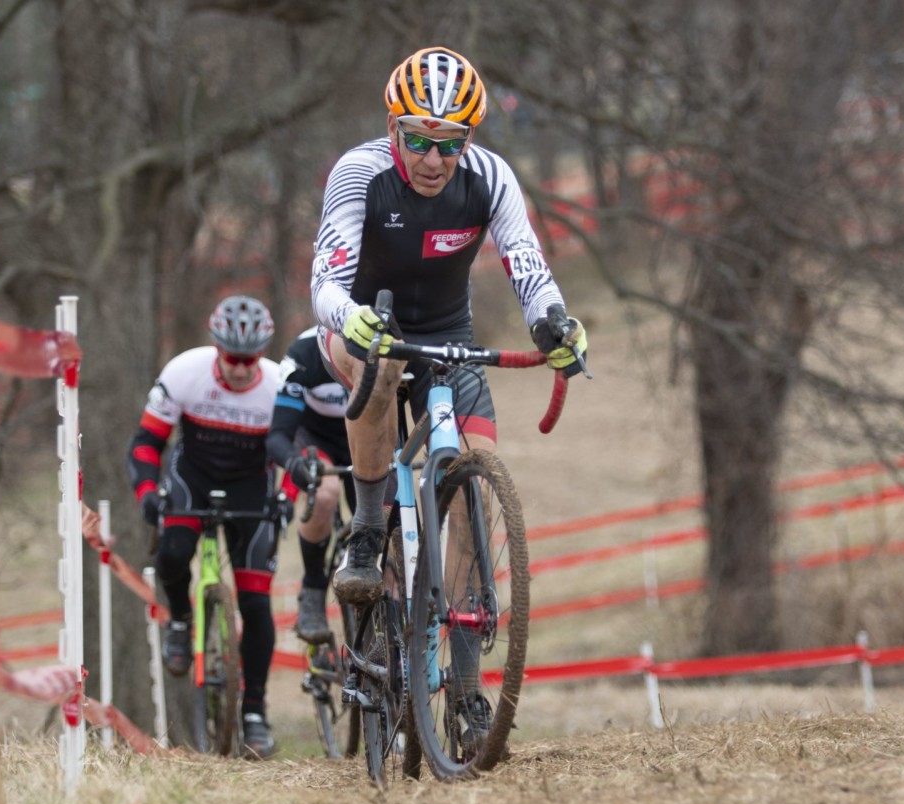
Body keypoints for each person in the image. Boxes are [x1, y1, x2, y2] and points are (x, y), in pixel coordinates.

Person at [309, 46, 588, 748]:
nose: (434, 159)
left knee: (474, 484)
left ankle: (466, 696)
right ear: (393, 129)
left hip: (447, 333)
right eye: (418, 141)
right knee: (374, 370)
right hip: (360, 323)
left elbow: (527, 263)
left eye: (450, 144)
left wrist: (553, 322)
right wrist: (351, 318)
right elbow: (325, 278)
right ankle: (370, 530)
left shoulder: (489, 177)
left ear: (471, 139)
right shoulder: (359, 173)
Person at [127, 295, 283, 758]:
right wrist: (148, 495)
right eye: (231, 358)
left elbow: (295, 453)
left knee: (256, 604)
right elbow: (144, 444)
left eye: (248, 359)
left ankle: (254, 711)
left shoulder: (278, 384)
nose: (238, 369)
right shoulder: (183, 372)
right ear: (217, 349)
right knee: (173, 552)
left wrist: (286, 499)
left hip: (250, 487)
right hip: (192, 479)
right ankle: (180, 618)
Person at [266, 326, 356, 644]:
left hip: (368, 437)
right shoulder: (304, 354)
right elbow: (277, 436)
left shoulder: (386, 342)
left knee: (387, 521)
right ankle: (314, 588)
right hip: (318, 439)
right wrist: (294, 464)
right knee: (325, 493)